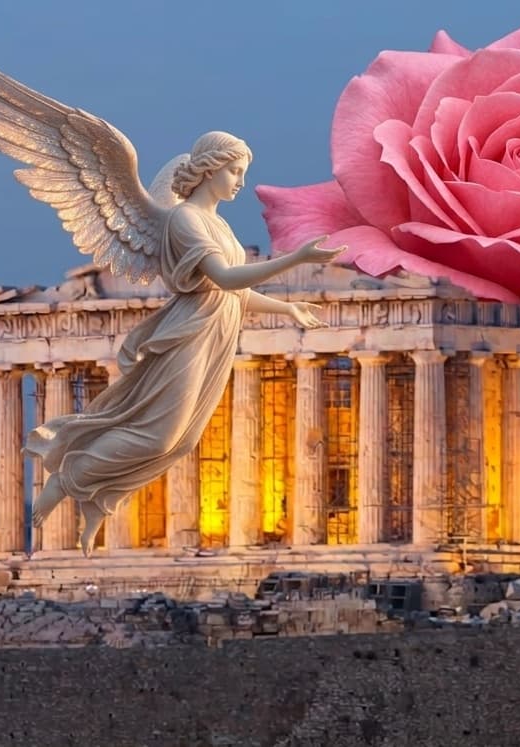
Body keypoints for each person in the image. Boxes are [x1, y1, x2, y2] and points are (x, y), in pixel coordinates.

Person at [26, 132, 342, 555]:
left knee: (183, 441)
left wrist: (288, 310)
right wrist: (296, 260)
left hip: (218, 329)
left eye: (243, 172)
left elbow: (233, 291)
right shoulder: (184, 220)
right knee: (157, 435)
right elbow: (226, 279)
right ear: (210, 169)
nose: (241, 182)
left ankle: (100, 498)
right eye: (235, 171)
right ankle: (68, 479)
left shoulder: (220, 225)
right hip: (190, 328)